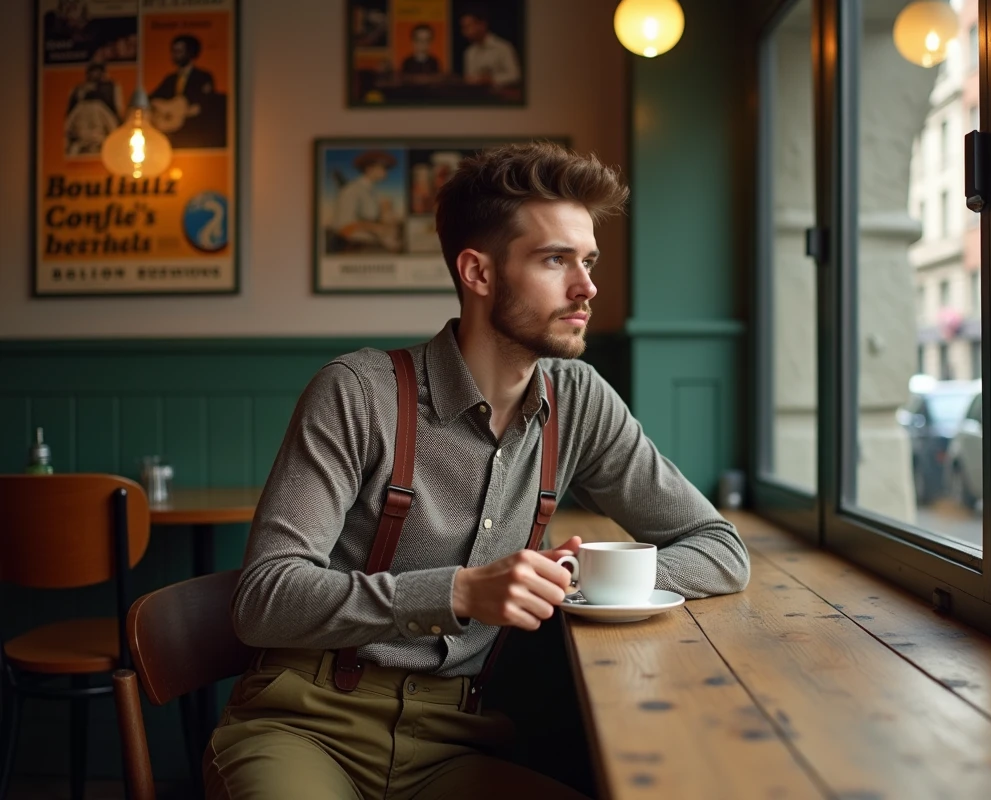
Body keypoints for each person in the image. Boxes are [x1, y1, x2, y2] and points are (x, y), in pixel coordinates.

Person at [205, 142, 751, 798]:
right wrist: (458, 592)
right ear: (478, 272)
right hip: (304, 722)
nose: (587, 287)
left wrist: (572, 579)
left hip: (453, 740)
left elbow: (721, 551)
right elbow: (263, 600)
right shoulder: (358, 392)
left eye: (589, 261)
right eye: (556, 261)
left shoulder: (578, 400)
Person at [148, 34, 222, 147]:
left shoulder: (203, 77)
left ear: (190, 53)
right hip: (172, 131)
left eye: (180, 51)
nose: (175, 55)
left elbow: (204, 104)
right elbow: (153, 98)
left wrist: (184, 111)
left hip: (194, 133)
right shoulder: (170, 79)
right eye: (174, 51)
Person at [331, 150, 403, 252]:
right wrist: (377, 228)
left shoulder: (374, 192)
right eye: (382, 168)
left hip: (372, 244)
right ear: (369, 169)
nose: (385, 172)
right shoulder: (352, 190)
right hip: (354, 247)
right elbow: (343, 225)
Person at [460, 5, 521, 88]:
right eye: (464, 28)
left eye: (468, 26)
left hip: (502, 97)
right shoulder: (470, 52)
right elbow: (471, 79)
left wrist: (491, 79)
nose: (465, 32)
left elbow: (515, 76)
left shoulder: (503, 47)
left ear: (482, 25)